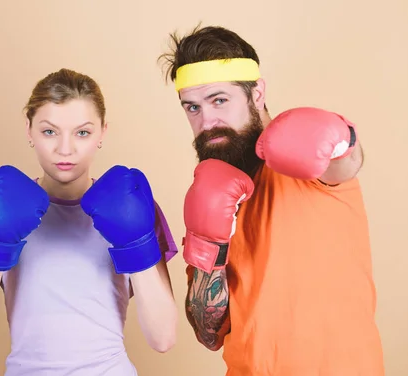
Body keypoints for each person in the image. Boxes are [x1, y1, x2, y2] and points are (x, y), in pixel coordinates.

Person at [158, 25, 384, 375]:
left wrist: (344, 139)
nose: (207, 122)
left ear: (257, 92)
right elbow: (208, 332)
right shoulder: (210, 191)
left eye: (219, 100)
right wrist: (210, 249)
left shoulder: (308, 158)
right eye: (192, 108)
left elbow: (348, 164)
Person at [0, 68, 178, 375]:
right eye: (49, 131)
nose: (65, 148)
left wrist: (135, 243)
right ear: (28, 131)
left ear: (102, 133)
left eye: (82, 132)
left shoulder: (134, 205)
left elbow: (163, 338)